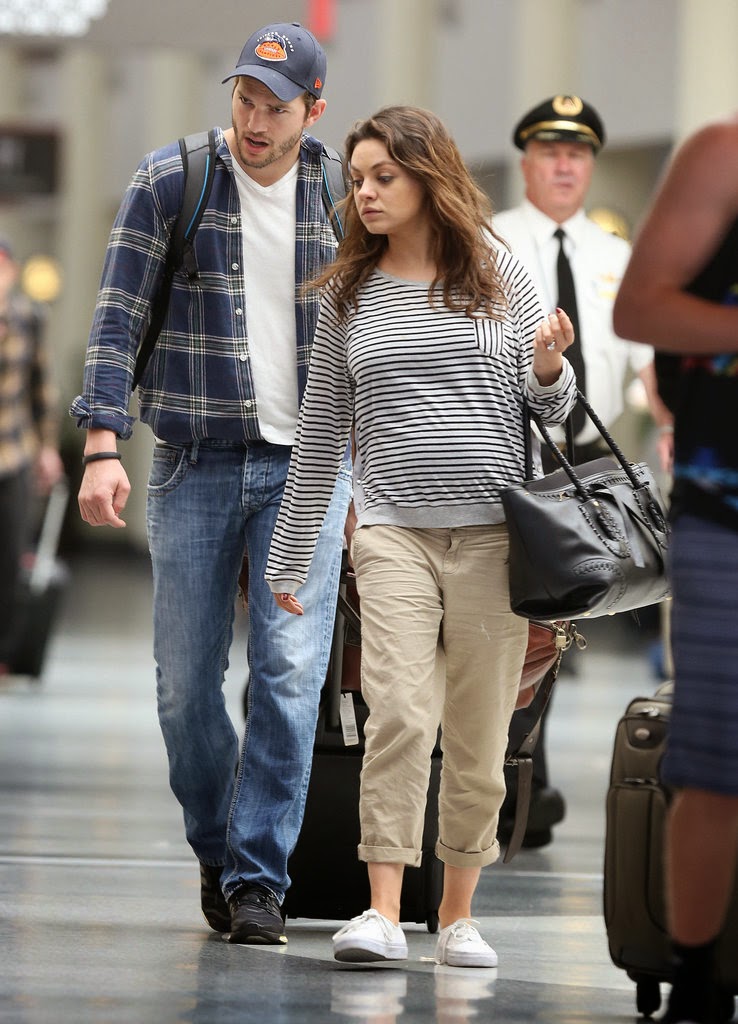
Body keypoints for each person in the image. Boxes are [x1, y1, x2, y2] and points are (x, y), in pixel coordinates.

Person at [264, 105, 577, 967]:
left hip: (493, 540)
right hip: (392, 534)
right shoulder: (348, 295)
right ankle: (381, 909)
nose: (363, 193)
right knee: (398, 715)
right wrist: (290, 559)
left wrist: (549, 364)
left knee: (478, 737)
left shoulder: (496, 273)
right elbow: (321, 434)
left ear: (427, 179)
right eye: (357, 180)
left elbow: (553, 407)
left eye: (382, 177)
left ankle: (459, 916)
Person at [69, 22, 352, 945]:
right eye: (244, 99)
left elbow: (381, 330)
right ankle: (219, 845)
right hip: (194, 460)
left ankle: (258, 880)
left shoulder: (342, 195)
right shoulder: (172, 180)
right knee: (184, 689)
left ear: (314, 111)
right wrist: (101, 445)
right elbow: (116, 318)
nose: (254, 122)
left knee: (288, 673)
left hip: (310, 469)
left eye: (276, 107)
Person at [494, 95, 674, 848]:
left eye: (577, 154)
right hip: (512, 453)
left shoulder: (613, 254)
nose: (565, 166)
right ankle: (508, 775)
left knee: (555, 624)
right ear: (526, 162)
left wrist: (670, 425)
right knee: (512, 620)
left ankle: (521, 776)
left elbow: (646, 358)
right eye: (551, 152)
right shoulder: (491, 240)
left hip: (586, 467)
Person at [613, 114, 738, 1024]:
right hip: (725, 502)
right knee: (717, 756)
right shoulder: (724, 154)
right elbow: (641, 309)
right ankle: (696, 979)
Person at [0, 237, 64, 674]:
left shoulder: (28, 318)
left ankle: (3, 653)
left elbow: (42, 390)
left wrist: (48, 449)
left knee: (9, 556)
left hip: (13, 453)